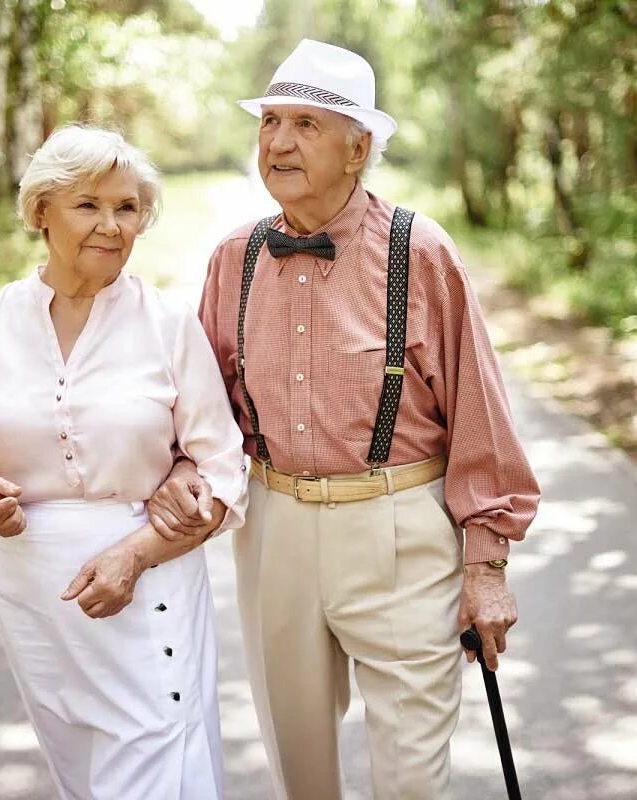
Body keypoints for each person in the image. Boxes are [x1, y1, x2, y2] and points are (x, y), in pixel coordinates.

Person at [149, 39, 541, 799]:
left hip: (399, 533)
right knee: (302, 774)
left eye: (305, 124)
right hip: (275, 532)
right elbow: (203, 412)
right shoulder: (233, 257)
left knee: (411, 783)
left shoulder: (420, 253)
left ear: (358, 148)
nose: (278, 142)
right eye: (270, 122)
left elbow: (481, 419)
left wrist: (486, 567)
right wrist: (180, 470)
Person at [0, 124, 248, 800]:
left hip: (148, 581)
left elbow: (223, 471)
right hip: (33, 596)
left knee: (152, 768)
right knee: (83, 778)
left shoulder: (167, 325)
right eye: (89, 205)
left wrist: (136, 553)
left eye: (127, 208)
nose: (112, 225)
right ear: (41, 210)